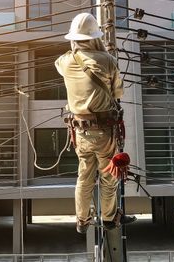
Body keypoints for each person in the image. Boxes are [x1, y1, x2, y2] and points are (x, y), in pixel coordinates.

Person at [55, 12, 134, 234]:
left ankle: (82, 219)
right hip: (105, 131)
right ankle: (109, 218)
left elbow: (59, 62)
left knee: (84, 176)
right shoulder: (107, 60)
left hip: (80, 132)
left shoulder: (65, 61)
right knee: (108, 176)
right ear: (95, 36)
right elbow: (118, 91)